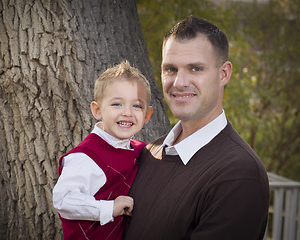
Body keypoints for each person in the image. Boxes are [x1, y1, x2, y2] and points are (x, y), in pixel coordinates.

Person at [124, 16, 269, 240]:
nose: (180, 82)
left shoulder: (239, 175)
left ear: (224, 74)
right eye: (170, 69)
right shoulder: (148, 152)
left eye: (195, 68)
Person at [52, 60, 153, 240]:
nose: (127, 112)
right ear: (97, 110)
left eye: (136, 105)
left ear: (146, 115)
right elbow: (63, 200)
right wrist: (108, 208)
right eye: (117, 104)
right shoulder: (85, 157)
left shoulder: (140, 150)